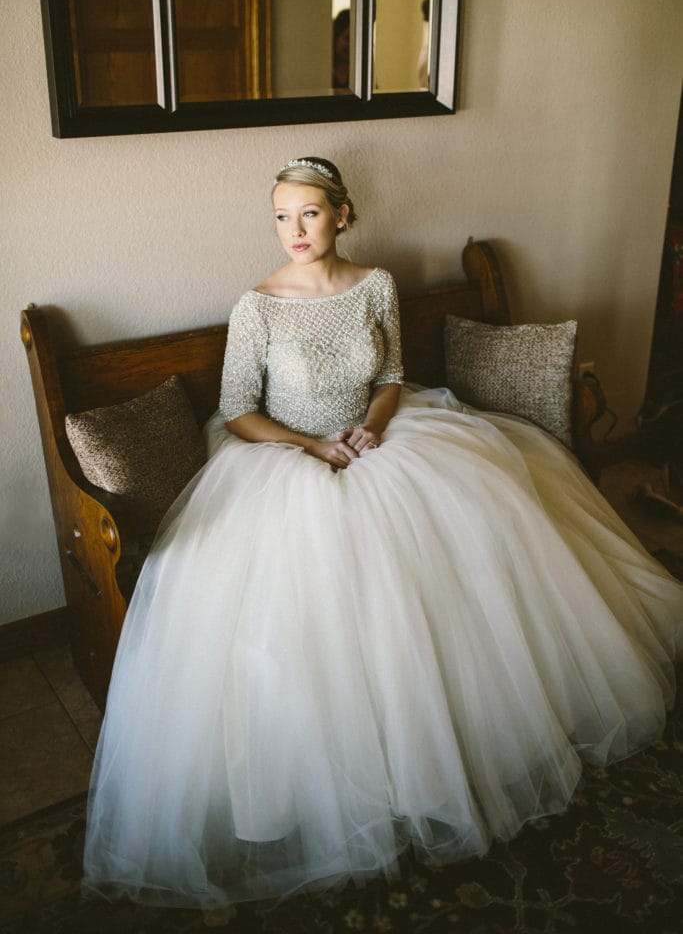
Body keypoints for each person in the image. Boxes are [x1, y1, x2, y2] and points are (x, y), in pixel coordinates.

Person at [83, 157, 683, 912]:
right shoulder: (257, 305)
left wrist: (367, 430)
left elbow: (391, 374)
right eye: (280, 216)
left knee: (479, 523)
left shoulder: (375, 285)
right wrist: (311, 448)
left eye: (307, 213)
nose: (293, 230)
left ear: (342, 214)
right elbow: (238, 409)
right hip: (282, 456)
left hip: (378, 437)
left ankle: (466, 727)